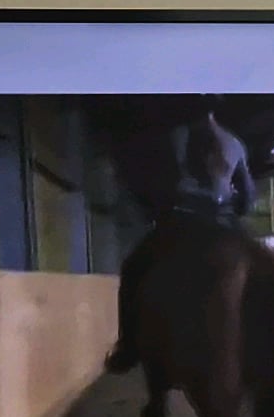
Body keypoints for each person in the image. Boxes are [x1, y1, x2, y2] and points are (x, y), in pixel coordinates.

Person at [105, 99, 257, 375]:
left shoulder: (171, 137)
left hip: (180, 221)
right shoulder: (233, 143)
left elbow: (161, 186)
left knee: (133, 269)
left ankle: (127, 347)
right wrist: (229, 204)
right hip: (224, 223)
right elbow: (247, 198)